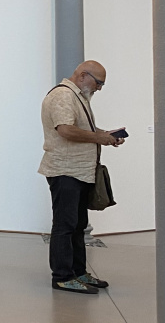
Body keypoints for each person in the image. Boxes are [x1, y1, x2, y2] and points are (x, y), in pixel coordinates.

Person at [40, 60, 125, 295]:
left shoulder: (79, 97)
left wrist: (106, 135)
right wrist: (99, 138)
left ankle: (78, 272)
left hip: (78, 172)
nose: (99, 88)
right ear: (83, 75)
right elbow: (65, 130)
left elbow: (81, 129)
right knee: (65, 225)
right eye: (98, 83)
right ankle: (62, 277)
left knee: (77, 225)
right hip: (65, 171)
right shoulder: (63, 96)